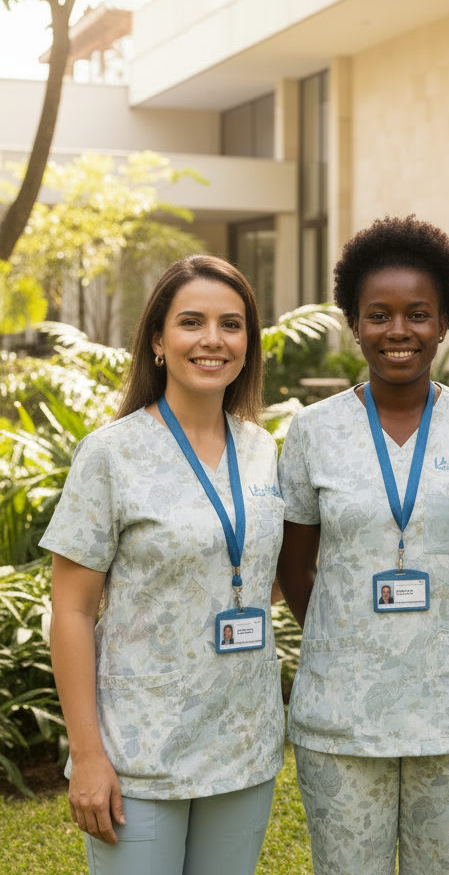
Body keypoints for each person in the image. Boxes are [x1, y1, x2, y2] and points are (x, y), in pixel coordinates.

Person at [276, 215, 449, 875]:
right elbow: (295, 567)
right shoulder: (312, 432)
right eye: (379, 315)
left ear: (444, 323)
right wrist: (343, 638)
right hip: (341, 715)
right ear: (354, 324)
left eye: (418, 314)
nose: (398, 331)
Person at [44, 256, 285, 875]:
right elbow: (71, 610)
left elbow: (262, 575)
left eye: (231, 324)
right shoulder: (110, 454)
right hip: (138, 752)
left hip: (243, 744)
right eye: (191, 322)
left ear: (248, 344)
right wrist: (88, 755)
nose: (213, 340)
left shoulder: (262, 449)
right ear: (157, 340)